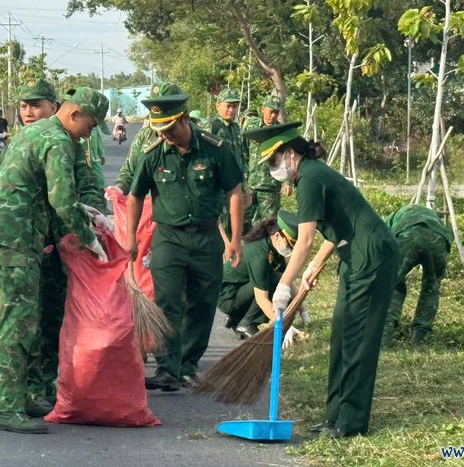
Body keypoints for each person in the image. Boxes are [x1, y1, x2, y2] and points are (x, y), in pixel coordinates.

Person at [243, 121, 400, 439]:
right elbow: (336, 227)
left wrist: (284, 285)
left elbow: (304, 239)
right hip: (353, 257)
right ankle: (332, 417)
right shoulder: (310, 174)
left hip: (372, 258)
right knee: (341, 337)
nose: (274, 169)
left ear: (288, 154)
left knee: (358, 341)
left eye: (274, 161)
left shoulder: (310, 178)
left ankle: (350, 423)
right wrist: (316, 265)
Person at [0, 86, 110, 434]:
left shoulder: (38, 132)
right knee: (17, 324)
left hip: (16, 236)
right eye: (91, 125)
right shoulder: (58, 141)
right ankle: (5, 406)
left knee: (28, 321)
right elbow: (62, 199)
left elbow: (45, 192)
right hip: (12, 237)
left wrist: (86, 211)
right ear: (75, 114)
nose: (90, 133)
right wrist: (91, 240)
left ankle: (24, 396)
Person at [124, 82, 244, 391]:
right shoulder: (153, 154)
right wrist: (131, 238)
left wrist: (235, 238)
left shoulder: (214, 149)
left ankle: (187, 364)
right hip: (169, 239)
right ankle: (167, 367)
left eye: (169, 128)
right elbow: (135, 196)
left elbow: (234, 192)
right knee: (167, 303)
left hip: (206, 239)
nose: (163, 134)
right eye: (158, 128)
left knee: (202, 304)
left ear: (185, 119)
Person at [218, 210, 304, 339]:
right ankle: (246, 323)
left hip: (240, 292)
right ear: (277, 236)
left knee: (277, 281)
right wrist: (284, 327)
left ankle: (238, 317)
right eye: (290, 243)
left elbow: (287, 282)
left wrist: (302, 310)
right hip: (228, 298)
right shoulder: (259, 253)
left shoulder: (273, 250)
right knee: (269, 280)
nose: (290, 249)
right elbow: (261, 298)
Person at [381, 204, 453, 347]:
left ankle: (384, 337)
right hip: (439, 238)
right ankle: (419, 339)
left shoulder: (387, 222)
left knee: (392, 284)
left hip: (408, 234)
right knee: (431, 287)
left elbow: (379, 241)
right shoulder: (429, 215)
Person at [204, 88, 251, 238]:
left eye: (235, 106)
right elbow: (205, 158)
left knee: (236, 227)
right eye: (228, 106)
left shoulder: (236, 128)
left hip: (235, 186)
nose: (231, 110)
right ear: (218, 106)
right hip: (219, 188)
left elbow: (241, 157)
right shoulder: (212, 127)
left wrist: (245, 187)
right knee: (221, 229)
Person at [244, 94, 285, 227]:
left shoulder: (280, 132)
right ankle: (248, 247)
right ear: (263, 109)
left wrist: (287, 182)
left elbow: (287, 158)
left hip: (270, 186)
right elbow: (243, 150)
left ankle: (267, 247)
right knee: (246, 222)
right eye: (270, 111)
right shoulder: (252, 125)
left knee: (269, 224)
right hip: (250, 185)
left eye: (276, 112)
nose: (273, 115)